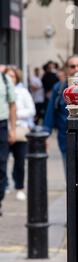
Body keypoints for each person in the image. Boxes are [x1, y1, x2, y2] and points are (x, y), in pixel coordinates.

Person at [43, 55, 78, 175]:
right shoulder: (59, 88)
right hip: (66, 140)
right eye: (72, 66)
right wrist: (45, 135)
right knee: (70, 176)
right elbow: (50, 113)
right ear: (66, 69)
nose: (76, 69)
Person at [4, 67, 36, 201]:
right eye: (7, 76)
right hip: (4, 129)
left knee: (20, 161)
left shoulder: (22, 92)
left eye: (13, 76)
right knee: (2, 161)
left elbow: (31, 110)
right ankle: (4, 185)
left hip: (19, 131)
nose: (10, 79)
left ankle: (19, 187)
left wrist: (15, 115)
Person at [0, 67, 17, 216]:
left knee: (1, 164)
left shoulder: (5, 80)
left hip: (2, 126)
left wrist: (13, 129)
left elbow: (12, 105)